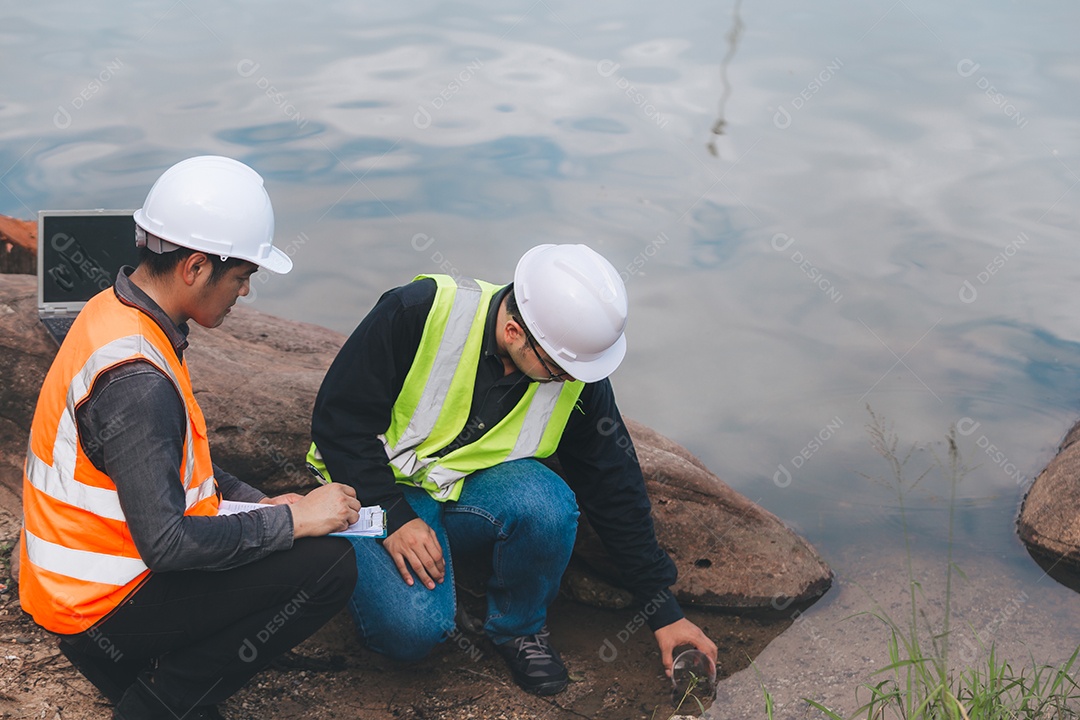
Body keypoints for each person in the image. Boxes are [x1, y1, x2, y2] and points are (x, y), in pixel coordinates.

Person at [19, 156, 362, 720]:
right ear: (196, 267)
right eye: (242, 277)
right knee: (329, 566)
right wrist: (293, 522)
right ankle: (159, 701)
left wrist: (262, 503)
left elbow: (178, 463)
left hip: (74, 585)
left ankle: (149, 672)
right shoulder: (137, 381)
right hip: (97, 608)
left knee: (292, 538)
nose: (246, 292)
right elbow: (170, 546)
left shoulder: (117, 310)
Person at [307, 244, 717, 696]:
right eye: (558, 369)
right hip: (366, 494)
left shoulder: (572, 370)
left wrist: (664, 610)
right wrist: (393, 516)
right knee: (413, 633)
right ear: (513, 331)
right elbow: (338, 422)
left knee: (549, 502)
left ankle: (518, 628)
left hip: (460, 490)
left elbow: (612, 482)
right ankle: (345, 558)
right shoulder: (419, 311)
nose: (568, 381)